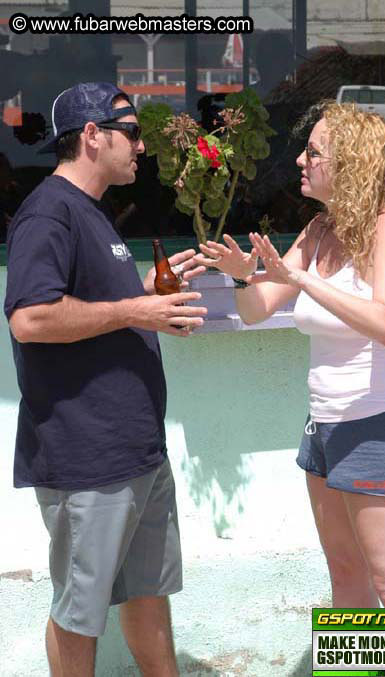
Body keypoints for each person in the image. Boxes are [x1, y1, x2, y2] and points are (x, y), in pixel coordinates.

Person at [194, 101, 385, 608]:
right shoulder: (319, 229)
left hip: (381, 423)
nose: (302, 161)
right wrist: (242, 274)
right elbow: (259, 308)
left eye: (314, 151)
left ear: (351, 162)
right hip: (325, 424)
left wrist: (300, 278)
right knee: (345, 573)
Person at [4, 82, 207, 677]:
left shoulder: (91, 212)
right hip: (85, 456)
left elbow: (90, 302)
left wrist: (143, 292)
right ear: (92, 135)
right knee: (80, 610)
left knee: (148, 593)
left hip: (136, 451)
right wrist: (133, 311)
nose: (142, 145)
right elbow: (30, 318)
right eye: (132, 131)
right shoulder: (48, 212)